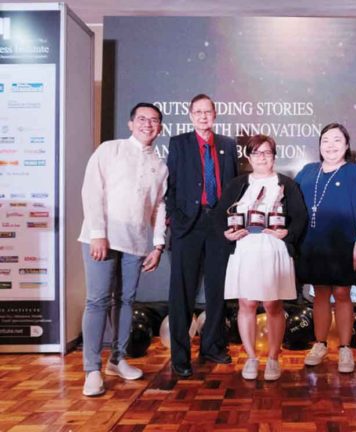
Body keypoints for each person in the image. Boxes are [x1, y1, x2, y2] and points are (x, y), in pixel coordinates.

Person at [78, 102, 168, 396]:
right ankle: (92, 368)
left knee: (126, 301)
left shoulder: (160, 165)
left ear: (161, 127)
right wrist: (97, 234)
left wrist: (157, 244)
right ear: (131, 124)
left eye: (154, 120)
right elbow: (92, 190)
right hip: (102, 238)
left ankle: (117, 360)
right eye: (142, 119)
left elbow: (158, 207)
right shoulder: (110, 150)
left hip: (136, 242)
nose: (148, 124)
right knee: (98, 301)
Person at [214, 134, 307, 381]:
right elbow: (217, 216)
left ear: (274, 156)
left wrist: (287, 233)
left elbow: (300, 217)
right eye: (256, 153)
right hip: (245, 249)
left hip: (273, 249)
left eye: (267, 152)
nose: (262, 157)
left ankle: (274, 359)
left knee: (273, 305)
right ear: (248, 157)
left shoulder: (286, 184)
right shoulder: (237, 184)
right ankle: (252, 358)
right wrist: (227, 234)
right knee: (247, 304)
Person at [166, 94, 239, 378]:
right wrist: (175, 217)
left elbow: (234, 187)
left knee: (217, 292)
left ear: (215, 114)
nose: (203, 116)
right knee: (181, 293)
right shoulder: (179, 144)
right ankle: (179, 356)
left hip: (218, 226)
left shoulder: (227, 145)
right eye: (198, 112)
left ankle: (212, 346)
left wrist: (232, 221)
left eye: (207, 111)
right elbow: (169, 185)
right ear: (190, 115)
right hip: (188, 226)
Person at [295, 123, 356, 373]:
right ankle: (319, 345)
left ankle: (344, 349)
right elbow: (292, 204)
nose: (331, 145)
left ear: (347, 145)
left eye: (337, 140)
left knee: (342, 293)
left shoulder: (355, 172)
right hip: (313, 243)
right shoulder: (308, 171)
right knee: (319, 293)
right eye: (326, 140)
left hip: (345, 244)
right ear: (320, 146)